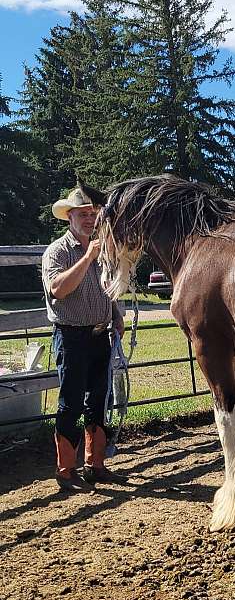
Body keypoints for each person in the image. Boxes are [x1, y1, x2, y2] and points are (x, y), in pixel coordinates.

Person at [42, 185, 125, 492]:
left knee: (100, 401)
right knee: (71, 402)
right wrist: (89, 257)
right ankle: (65, 470)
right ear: (70, 217)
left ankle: (96, 464)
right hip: (71, 336)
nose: (90, 219)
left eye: (93, 214)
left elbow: (108, 287)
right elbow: (58, 289)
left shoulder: (101, 250)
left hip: (100, 335)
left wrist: (116, 315)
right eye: (83, 214)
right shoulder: (58, 251)